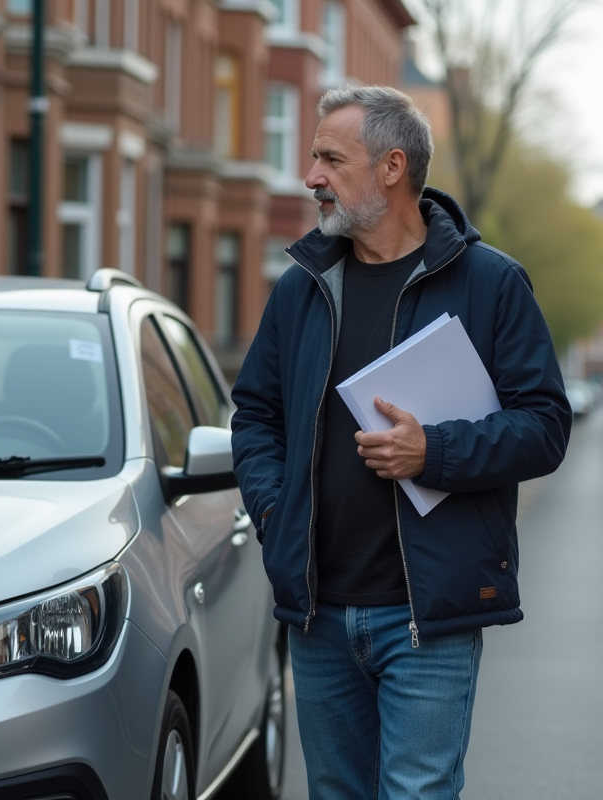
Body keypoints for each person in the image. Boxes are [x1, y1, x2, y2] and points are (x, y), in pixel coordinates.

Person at [231, 85, 572, 799]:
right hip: (318, 615)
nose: (311, 176)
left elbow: (543, 425)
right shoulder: (302, 288)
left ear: (391, 167)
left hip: (429, 619)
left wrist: (434, 453)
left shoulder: (492, 284)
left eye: (329, 157)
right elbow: (255, 416)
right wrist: (273, 513)